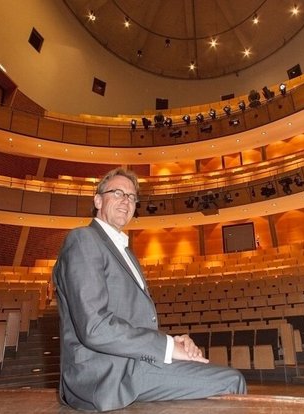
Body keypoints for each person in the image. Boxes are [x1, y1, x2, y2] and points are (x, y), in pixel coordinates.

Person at [53, 167, 247, 411]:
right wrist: (166, 347)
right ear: (98, 200)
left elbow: (132, 324)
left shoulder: (126, 252)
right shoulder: (84, 240)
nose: (126, 200)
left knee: (215, 376)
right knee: (231, 380)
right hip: (104, 374)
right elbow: (95, 328)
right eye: (118, 193)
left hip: (131, 365)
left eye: (132, 197)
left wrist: (172, 342)